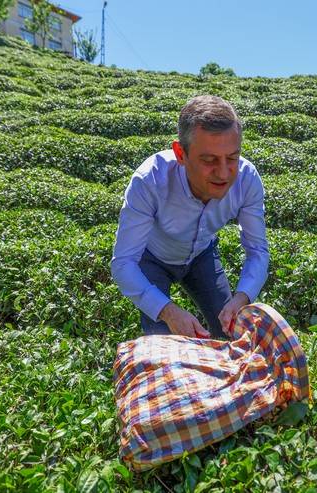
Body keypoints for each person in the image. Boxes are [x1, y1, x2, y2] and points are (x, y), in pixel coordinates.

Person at [111, 95, 269, 339]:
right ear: (180, 154)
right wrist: (168, 311)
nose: (224, 173)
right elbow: (123, 264)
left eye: (232, 158)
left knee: (230, 332)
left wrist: (242, 297)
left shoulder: (247, 179)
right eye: (209, 160)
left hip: (201, 255)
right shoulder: (149, 180)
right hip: (152, 259)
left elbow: (257, 250)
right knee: (163, 343)